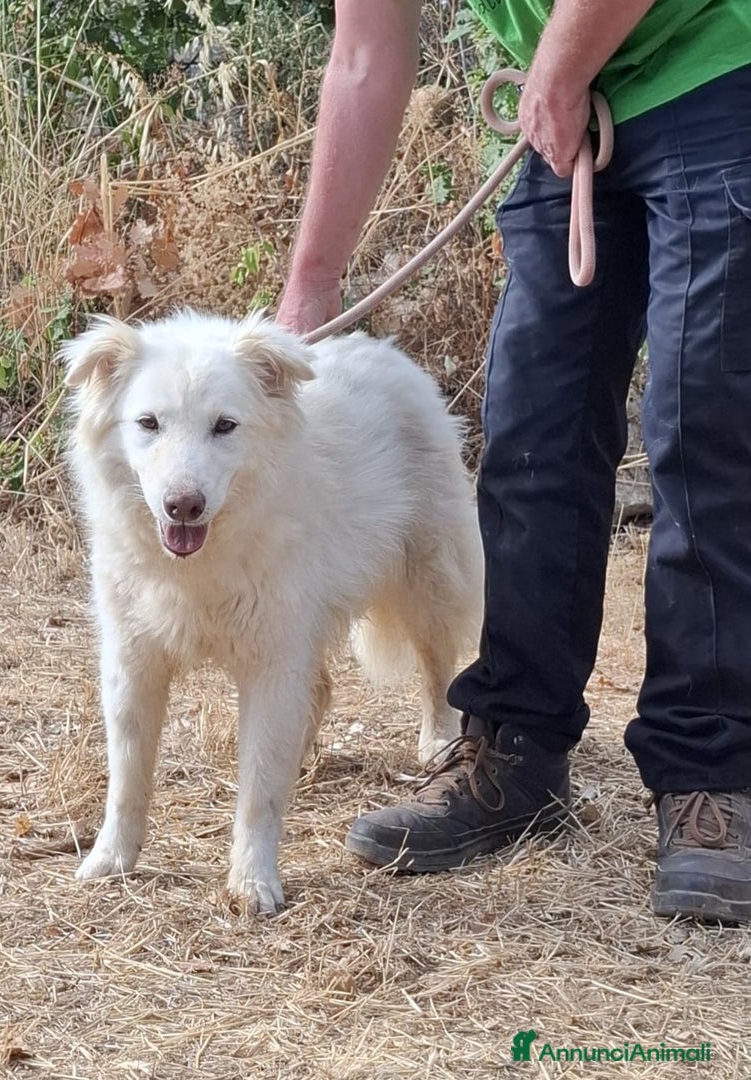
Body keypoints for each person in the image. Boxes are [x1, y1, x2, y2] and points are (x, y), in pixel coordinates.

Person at [277, 0, 751, 924]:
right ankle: (515, 750)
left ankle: (711, 777)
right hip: (565, 96)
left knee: (706, 435)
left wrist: (563, 68)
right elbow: (366, 56)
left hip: (714, 71)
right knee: (532, 430)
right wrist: (312, 288)